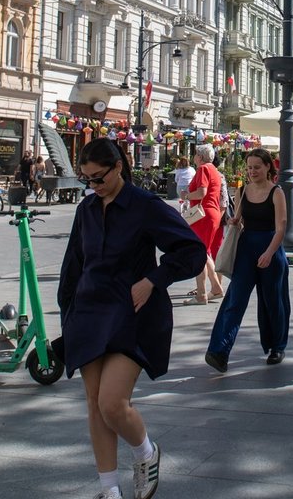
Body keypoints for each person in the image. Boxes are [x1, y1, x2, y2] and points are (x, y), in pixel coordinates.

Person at [58, 138, 204, 499]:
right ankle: (109, 490)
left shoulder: (145, 206)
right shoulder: (87, 210)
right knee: (94, 404)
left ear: (118, 166)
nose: (93, 186)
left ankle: (145, 452)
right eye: (86, 180)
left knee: (111, 402)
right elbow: (73, 266)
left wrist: (153, 280)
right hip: (90, 313)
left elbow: (192, 250)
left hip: (131, 314)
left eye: (98, 178)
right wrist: (68, 316)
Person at [205, 148, 290, 372]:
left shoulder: (277, 192)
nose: (252, 171)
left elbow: (281, 227)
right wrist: (233, 221)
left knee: (273, 300)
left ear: (268, 167)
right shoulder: (243, 191)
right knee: (236, 297)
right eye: (249, 167)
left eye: (257, 167)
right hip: (246, 248)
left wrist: (269, 253)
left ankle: (277, 346)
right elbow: (238, 219)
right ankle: (219, 351)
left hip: (270, 248)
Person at [182, 144, 224, 305]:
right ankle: (215, 287)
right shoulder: (213, 169)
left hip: (203, 214)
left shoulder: (203, 169)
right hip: (211, 213)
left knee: (199, 253)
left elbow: (202, 192)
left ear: (199, 156)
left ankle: (202, 294)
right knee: (204, 253)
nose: (194, 157)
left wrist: (187, 195)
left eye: (195, 154)